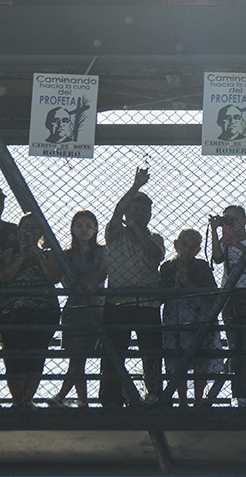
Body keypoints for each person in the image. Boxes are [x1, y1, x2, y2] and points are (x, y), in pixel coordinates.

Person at [99, 168, 166, 409]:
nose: (139, 214)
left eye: (144, 210)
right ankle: (111, 398)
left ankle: (155, 394)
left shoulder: (155, 237)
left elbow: (154, 255)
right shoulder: (115, 234)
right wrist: (135, 186)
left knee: (152, 351)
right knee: (113, 352)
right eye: (134, 209)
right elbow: (117, 213)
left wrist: (137, 229)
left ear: (150, 214)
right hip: (117, 302)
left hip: (147, 303)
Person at [0, 213, 61, 408]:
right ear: (18, 231)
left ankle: (27, 400)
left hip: (43, 309)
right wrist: (22, 257)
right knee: (14, 357)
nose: (29, 231)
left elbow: (54, 276)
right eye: (25, 227)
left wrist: (38, 255)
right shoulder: (10, 251)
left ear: (40, 232)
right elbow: (4, 276)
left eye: (34, 228)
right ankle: (17, 402)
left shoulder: (49, 253)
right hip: (13, 309)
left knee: (36, 356)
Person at [210, 205, 246, 408]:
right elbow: (217, 259)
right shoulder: (225, 240)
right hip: (230, 296)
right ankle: (237, 395)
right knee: (234, 347)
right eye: (228, 219)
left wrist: (240, 246)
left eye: (235, 218)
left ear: (244, 220)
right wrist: (215, 231)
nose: (232, 223)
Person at [49, 210, 107, 409]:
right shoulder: (67, 254)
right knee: (76, 355)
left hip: (96, 306)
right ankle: (82, 400)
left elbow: (104, 271)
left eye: (89, 226)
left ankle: (64, 396)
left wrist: (95, 282)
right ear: (73, 229)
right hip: (75, 306)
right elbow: (64, 279)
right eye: (80, 225)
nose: (84, 230)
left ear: (95, 229)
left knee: (80, 356)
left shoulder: (101, 251)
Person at [161, 229, 223, 407]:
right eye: (184, 245)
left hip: (198, 316)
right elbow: (161, 294)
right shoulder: (167, 267)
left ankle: (197, 400)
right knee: (177, 359)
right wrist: (176, 285)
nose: (188, 250)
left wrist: (190, 285)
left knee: (200, 359)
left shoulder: (202, 267)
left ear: (198, 249)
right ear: (176, 245)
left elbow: (212, 294)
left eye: (193, 247)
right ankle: (181, 401)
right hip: (175, 316)